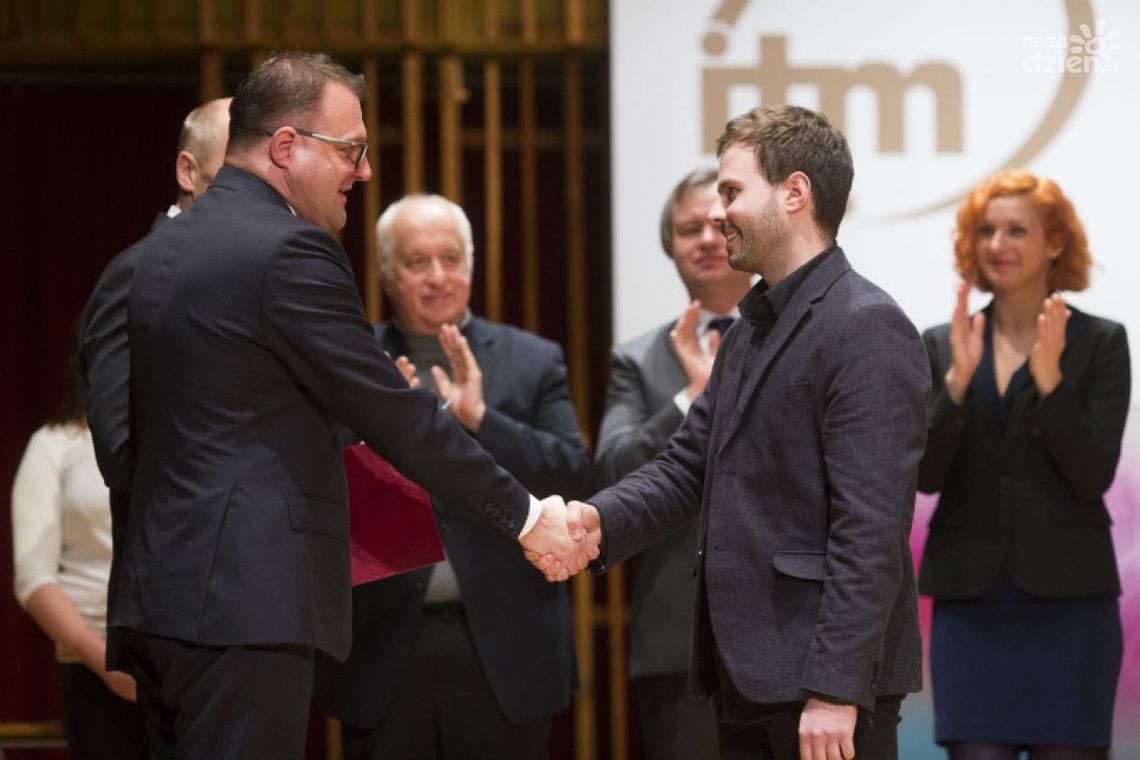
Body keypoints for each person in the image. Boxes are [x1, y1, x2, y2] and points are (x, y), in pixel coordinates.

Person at [81, 51, 589, 759]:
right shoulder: (289, 249)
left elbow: (135, 442)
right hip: (247, 604)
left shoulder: (152, 255)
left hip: (161, 599)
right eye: (351, 149)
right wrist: (530, 518)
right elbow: (399, 417)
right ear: (286, 147)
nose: (365, 170)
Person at [564, 105, 930, 760]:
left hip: (821, 690)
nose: (719, 211)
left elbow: (870, 529)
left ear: (795, 193)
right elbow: (685, 469)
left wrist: (835, 689)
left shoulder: (866, 325)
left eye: (732, 191)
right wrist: (595, 521)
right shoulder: (747, 335)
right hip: (746, 678)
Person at [315, 194, 592, 759]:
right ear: (387, 275)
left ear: (470, 265)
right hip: (384, 648)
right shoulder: (353, 362)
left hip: (509, 647)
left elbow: (575, 474)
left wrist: (482, 420)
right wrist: (381, 424)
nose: (437, 276)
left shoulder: (531, 359)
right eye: (417, 262)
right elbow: (316, 486)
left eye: (450, 259)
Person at [917, 169, 1130, 760]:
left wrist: (1051, 383)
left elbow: (1092, 475)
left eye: (1017, 230)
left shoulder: (1101, 342)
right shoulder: (942, 343)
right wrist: (956, 387)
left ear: (1055, 242)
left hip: (1072, 608)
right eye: (986, 231)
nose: (998, 245)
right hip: (970, 606)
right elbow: (926, 476)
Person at [594, 167, 752, 760]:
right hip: (679, 639)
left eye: (718, 223)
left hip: (791, 633)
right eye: (689, 229)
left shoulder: (800, 340)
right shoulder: (636, 359)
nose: (707, 239)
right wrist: (692, 398)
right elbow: (612, 473)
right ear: (671, 247)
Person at [11, 330, 145, 759]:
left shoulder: (179, 440)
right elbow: (34, 578)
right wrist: (103, 660)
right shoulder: (55, 445)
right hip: (92, 664)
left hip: (182, 658)